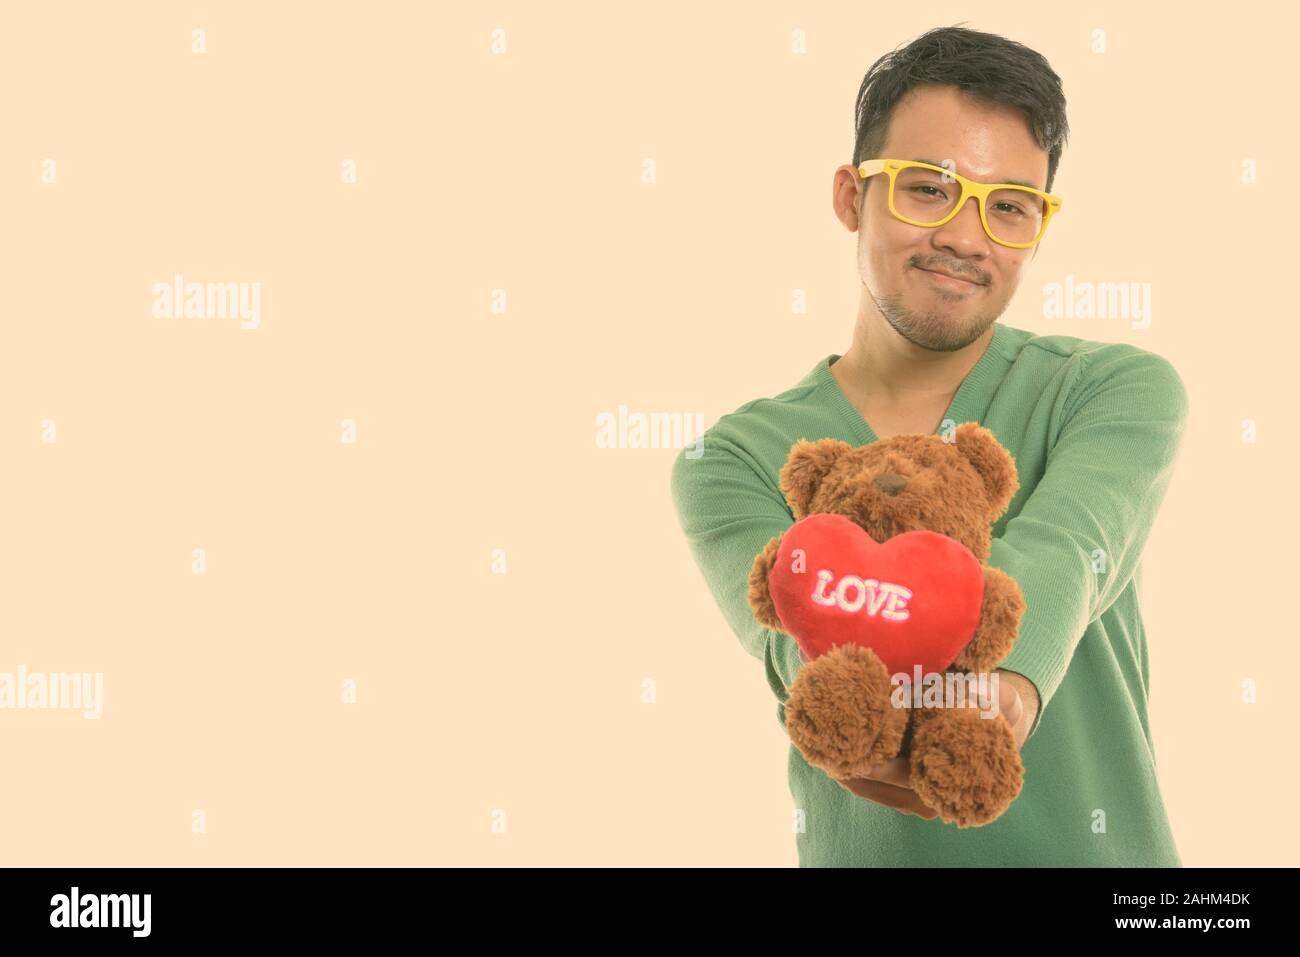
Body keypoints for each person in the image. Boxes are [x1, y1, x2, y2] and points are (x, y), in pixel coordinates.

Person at [670, 25, 1188, 866]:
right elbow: (794, 635)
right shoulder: (734, 459)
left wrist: (1003, 688)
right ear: (850, 196)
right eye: (928, 190)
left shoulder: (1113, 391)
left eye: (1009, 206)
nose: (964, 235)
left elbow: (1064, 542)